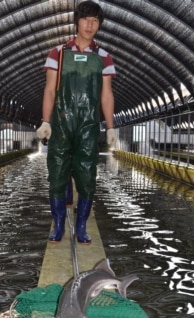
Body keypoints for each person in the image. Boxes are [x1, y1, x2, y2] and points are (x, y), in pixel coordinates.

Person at [37, 0, 116, 244]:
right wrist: (46, 121)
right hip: (61, 124)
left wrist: (111, 126)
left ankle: (81, 226)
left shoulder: (104, 57)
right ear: (77, 22)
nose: (90, 25)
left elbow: (106, 94)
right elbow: (50, 90)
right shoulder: (58, 53)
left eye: (95, 21)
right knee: (57, 174)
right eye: (86, 19)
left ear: (99, 25)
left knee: (87, 175)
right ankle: (59, 224)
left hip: (88, 126)